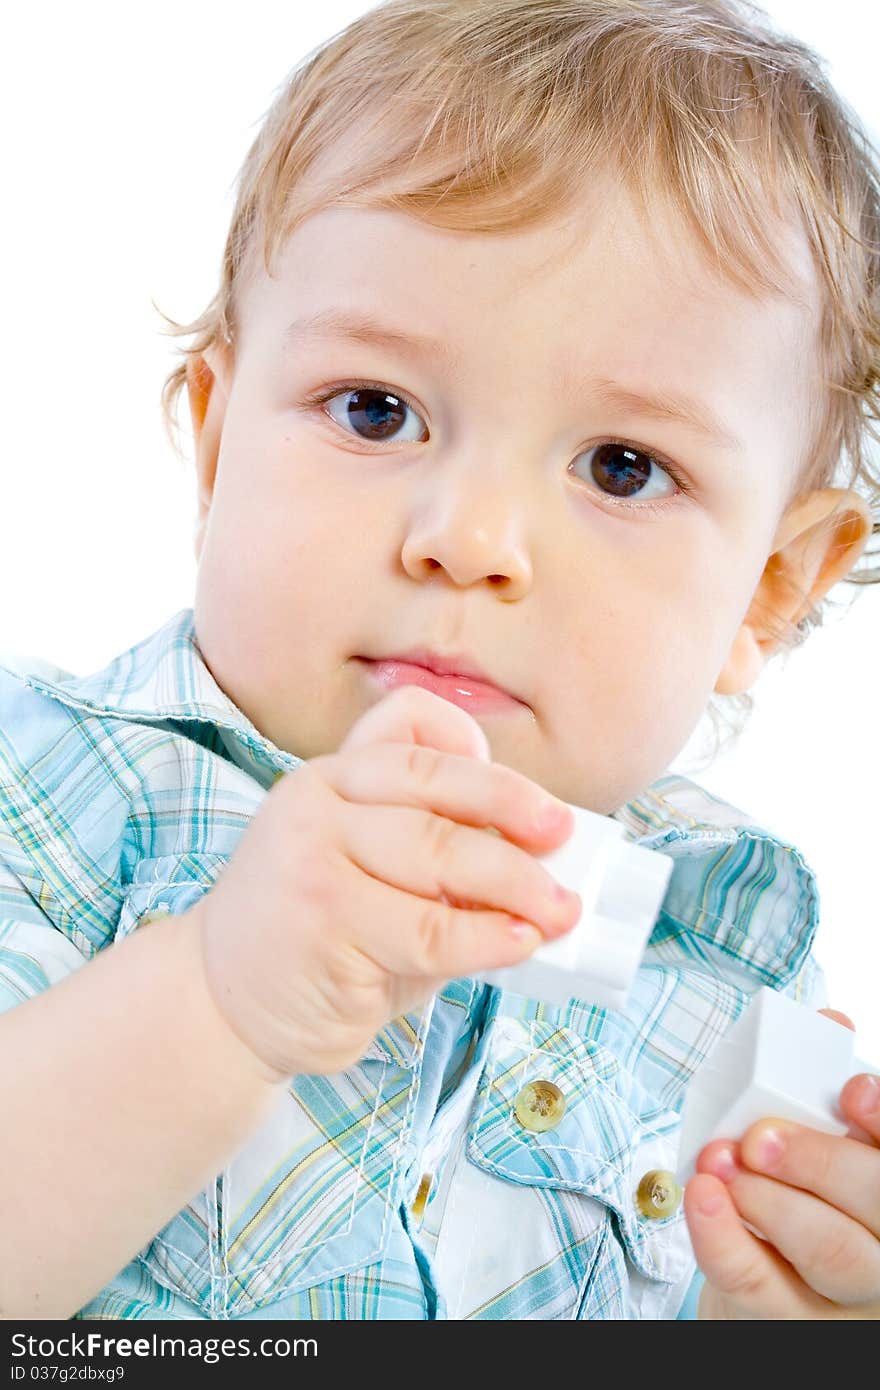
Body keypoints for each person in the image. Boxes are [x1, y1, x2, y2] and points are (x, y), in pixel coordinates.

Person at [1, 0, 879, 1321]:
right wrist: (215, 1001)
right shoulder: (48, 797)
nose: (468, 541)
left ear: (769, 586)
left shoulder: (724, 972)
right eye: (377, 410)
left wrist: (780, 1316)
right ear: (218, 440)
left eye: (621, 467)